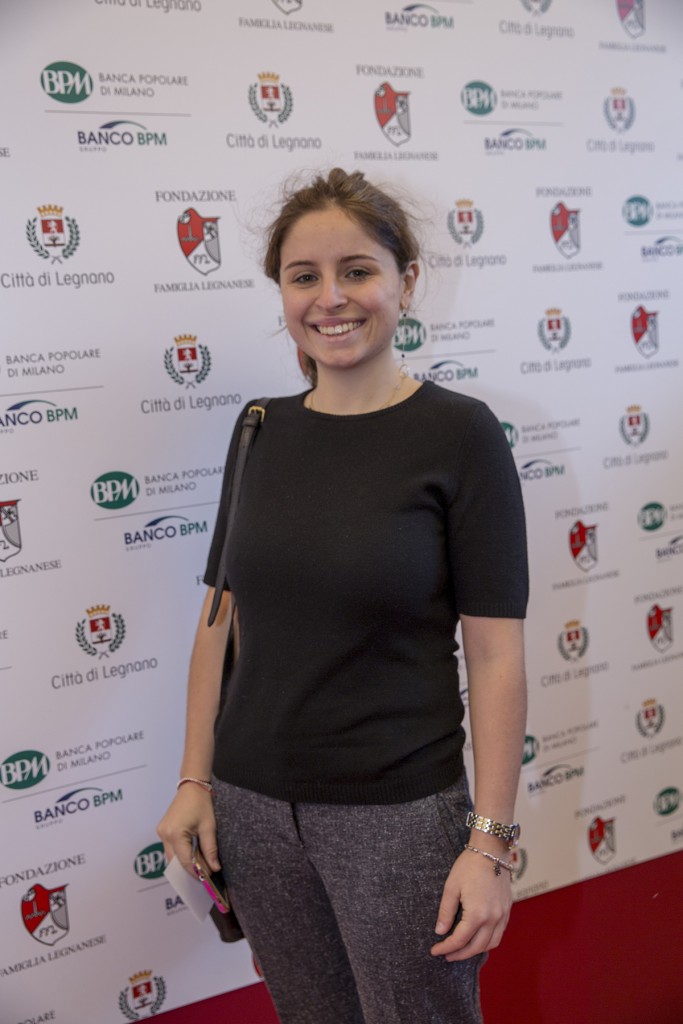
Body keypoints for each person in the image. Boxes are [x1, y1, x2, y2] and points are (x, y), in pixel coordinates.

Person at [157, 167, 528, 1024]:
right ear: (282, 292)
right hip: (250, 809)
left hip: (396, 817)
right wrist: (194, 779)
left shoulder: (459, 432)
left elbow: (495, 655)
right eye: (304, 276)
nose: (330, 298)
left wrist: (489, 843)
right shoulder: (257, 428)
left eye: (356, 270)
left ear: (406, 280)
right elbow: (219, 623)